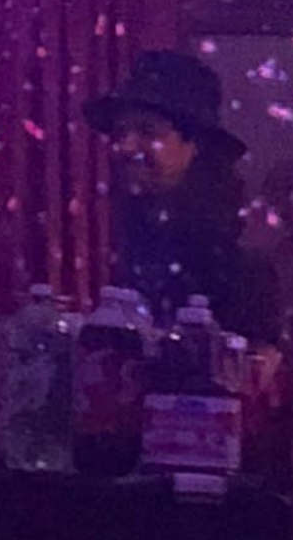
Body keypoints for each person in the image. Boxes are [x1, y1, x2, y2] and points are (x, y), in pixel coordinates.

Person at [85, 47, 276, 342]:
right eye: (120, 133)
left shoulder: (240, 262)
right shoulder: (129, 240)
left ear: (196, 144)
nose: (125, 147)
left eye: (148, 131)